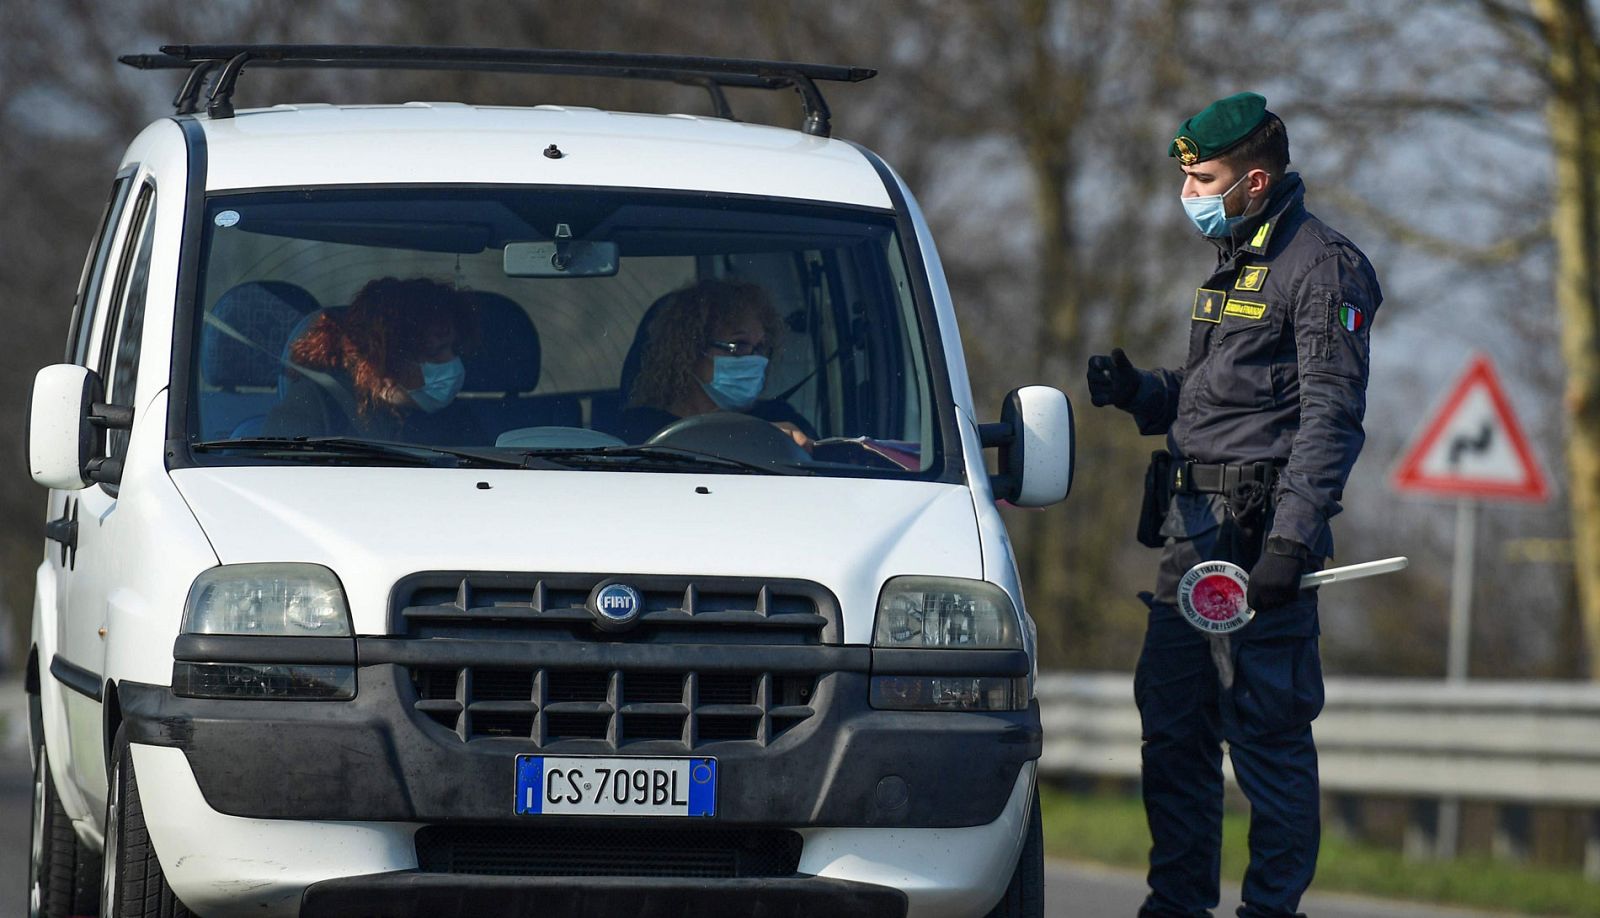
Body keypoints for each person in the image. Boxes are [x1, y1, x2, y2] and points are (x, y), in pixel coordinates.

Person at [1086, 92, 1381, 917]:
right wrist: (1144, 394)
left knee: (1268, 745)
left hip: (1258, 545)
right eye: (1184, 177)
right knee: (1175, 734)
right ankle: (1175, 905)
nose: (1190, 194)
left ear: (1255, 181)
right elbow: (1222, 395)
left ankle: (1268, 911)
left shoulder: (1322, 267)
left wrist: (1290, 541)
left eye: (1203, 177)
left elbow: (1330, 414)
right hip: (1192, 542)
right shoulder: (1235, 258)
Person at [264, 276, 482, 443]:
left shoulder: (456, 417)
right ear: (386, 356)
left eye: (454, 349)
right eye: (435, 352)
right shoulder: (315, 404)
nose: (453, 364)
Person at [616, 277, 814, 448]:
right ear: (692, 349)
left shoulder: (778, 416)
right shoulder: (640, 426)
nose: (755, 359)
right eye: (739, 345)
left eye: (760, 348)